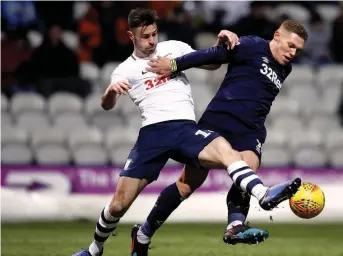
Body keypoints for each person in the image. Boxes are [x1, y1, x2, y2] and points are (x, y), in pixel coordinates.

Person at [72, 8, 301, 256]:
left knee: (234, 158)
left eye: (154, 34)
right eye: (145, 36)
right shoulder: (124, 70)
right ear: (131, 36)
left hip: (186, 128)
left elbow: (212, 61)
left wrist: (219, 42)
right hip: (154, 133)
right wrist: (111, 91)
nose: (152, 41)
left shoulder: (175, 47)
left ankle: (250, 208)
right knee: (120, 204)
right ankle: (98, 249)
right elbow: (106, 105)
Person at [141, 19, 308, 250]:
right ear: (277, 35)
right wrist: (174, 65)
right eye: (290, 45)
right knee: (188, 184)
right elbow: (213, 55)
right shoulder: (251, 45)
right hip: (220, 120)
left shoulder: (284, 68)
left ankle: (235, 226)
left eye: (298, 50)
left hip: (251, 130)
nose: (293, 53)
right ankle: (143, 233)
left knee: (247, 166)